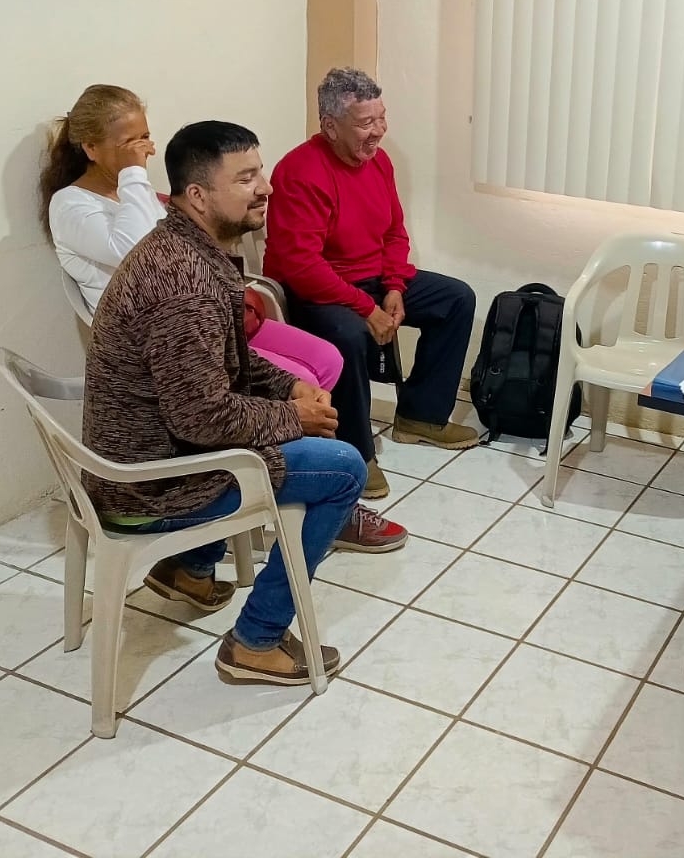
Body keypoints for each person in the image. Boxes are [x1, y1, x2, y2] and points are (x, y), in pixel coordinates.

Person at [82, 121, 408, 685]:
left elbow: (226, 360)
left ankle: (190, 569)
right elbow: (201, 418)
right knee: (343, 469)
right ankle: (256, 641)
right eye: (246, 178)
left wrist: (286, 387)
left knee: (289, 429)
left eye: (260, 173)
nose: (266, 188)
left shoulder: (189, 249)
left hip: (152, 455)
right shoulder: (184, 282)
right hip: (148, 485)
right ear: (198, 196)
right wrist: (293, 416)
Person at [41, 84, 341, 391]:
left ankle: (315, 419)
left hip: (203, 312)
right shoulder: (70, 204)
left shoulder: (134, 191)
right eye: (128, 143)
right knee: (300, 381)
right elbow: (140, 251)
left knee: (328, 359)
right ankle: (288, 420)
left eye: (144, 137)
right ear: (91, 148)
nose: (143, 151)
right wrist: (133, 174)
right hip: (162, 337)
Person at [265, 69, 479, 499]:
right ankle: (355, 451)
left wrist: (395, 286)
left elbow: (395, 233)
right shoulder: (299, 171)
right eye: (366, 122)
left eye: (381, 117)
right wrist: (366, 309)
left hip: (373, 279)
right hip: (317, 289)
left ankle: (420, 416)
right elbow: (302, 265)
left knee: (456, 298)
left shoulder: (378, 162)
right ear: (330, 126)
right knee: (349, 335)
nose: (379, 131)